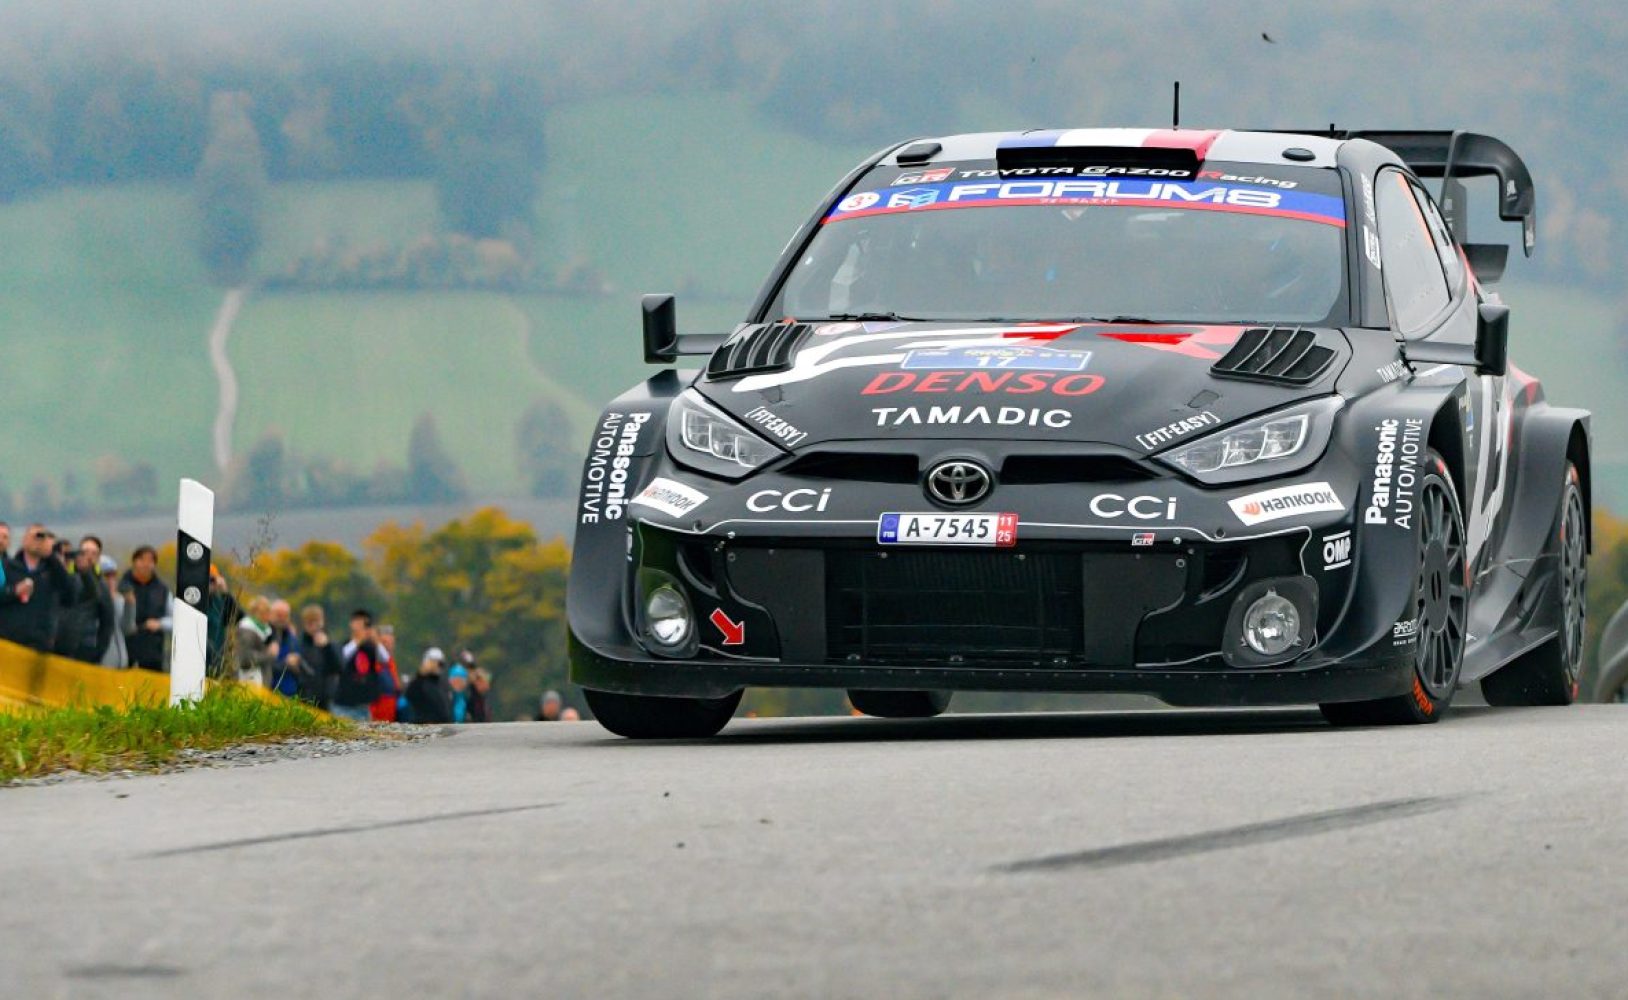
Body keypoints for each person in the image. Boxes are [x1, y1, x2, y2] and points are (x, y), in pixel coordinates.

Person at [0, 525, 76, 653]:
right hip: (9, 641)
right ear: (24, 540)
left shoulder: (52, 571)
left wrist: (51, 555)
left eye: (43, 537)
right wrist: (14, 591)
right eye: (35, 536)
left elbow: (70, 597)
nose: (38, 541)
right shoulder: (7, 566)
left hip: (39, 644)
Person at [58, 535, 114, 663]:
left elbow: (107, 622)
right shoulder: (67, 577)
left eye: (94, 553)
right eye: (85, 552)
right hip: (60, 645)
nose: (89, 557)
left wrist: (98, 652)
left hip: (85, 646)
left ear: (98, 557)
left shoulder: (101, 584)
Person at [120, 545, 172, 671]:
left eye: (151, 561)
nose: (146, 564)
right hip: (125, 652)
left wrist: (160, 624)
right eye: (142, 560)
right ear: (134, 562)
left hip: (153, 655)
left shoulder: (163, 590)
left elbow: (175, 619)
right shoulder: (121, 586)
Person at [332, 609, 384, 722]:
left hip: (363, 705)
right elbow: (341, 658)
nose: (362, 627)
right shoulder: (345, 644)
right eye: (358, 623)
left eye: (365, 625)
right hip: (344, 705)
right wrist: (358, 641)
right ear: (351, 624)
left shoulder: (371, 647)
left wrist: (376, 641)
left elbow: (385, 659)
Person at [298, 604, 340, 708]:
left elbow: (338, 667)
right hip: (306, 697)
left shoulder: (331, 644)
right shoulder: (299, 644)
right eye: (310, 623)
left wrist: (327, 647)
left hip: (327, 698)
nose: (314, 627)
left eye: (317, 623)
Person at [264, 599, 305, 698]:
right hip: (267, 693)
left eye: (285, 616)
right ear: (270, 614)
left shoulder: (292, 639)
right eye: (278, 615)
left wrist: (298, 664)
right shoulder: (263, 636)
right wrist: (285, 663)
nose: (282, 619)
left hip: (289, 695)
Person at [204, 567, 242, 672]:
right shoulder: (195, 600)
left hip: (216, 659)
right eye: (208, 580)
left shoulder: (219, 601)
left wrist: (225, 592)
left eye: (213, 580)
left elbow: (238, 618)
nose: (210, 584)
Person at [99, 555, 134, 668]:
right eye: (106, 576)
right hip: (101, 663)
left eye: (113, 576)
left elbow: (127, 629)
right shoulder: (91, 602)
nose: (111, 581)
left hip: (121, 661)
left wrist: (130, 605)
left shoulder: (120, 600)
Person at [405, 647, 453, 724]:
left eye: (440, 664)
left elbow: (445, 710)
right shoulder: (419, 683)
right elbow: (410, 695)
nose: (438, 666)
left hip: (443, 726)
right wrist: (421, 674)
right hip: (425, 726)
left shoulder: (442, 684)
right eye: (435, 663)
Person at [235, 596, 275, 687]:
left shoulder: (265, 630)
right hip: (249, 681)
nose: (269, 616)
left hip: (259, 682)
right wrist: (269, 654)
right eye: (267, 612)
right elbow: (245, 659)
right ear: (258, 613)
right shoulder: (247, 630)